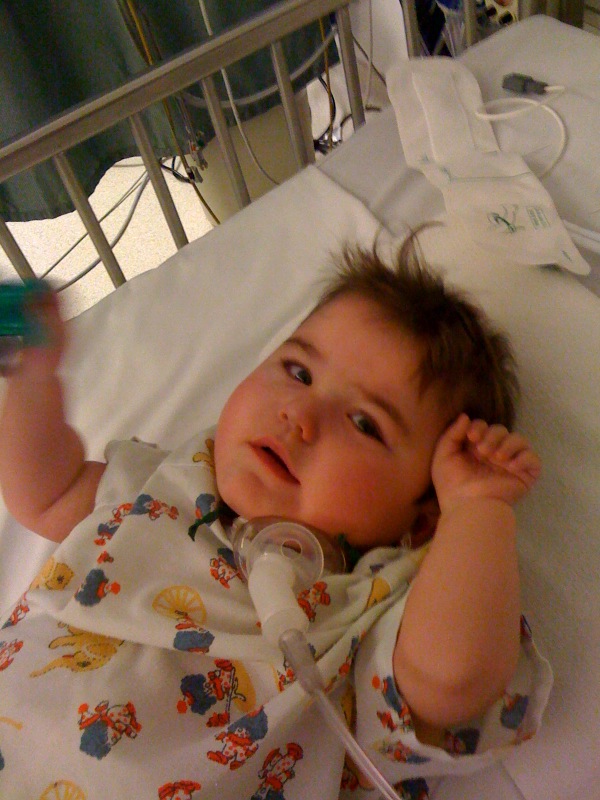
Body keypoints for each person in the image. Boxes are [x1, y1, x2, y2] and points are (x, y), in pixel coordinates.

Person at [0, 236, 549, 800]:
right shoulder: (166, 482)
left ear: (424, 518)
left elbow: (450, 683)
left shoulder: (374, 607)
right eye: (298, 371)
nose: (300, 414)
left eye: (364, 423)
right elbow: (46, 493)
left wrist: (476, 510)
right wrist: (35, 379)